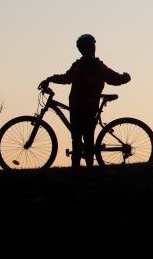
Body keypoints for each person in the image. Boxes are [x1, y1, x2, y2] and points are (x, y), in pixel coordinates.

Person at [40, 34, 131, 167]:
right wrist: (125, 77)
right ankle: (89, 166)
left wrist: (50, 79)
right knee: (88, 137)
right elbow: (113, 78)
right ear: (92, 47)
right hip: (91, 106)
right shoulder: (97, 65)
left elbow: (67, 78)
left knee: (76, 138)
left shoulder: (79, 65)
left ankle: (76, 167)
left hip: (77, 106)